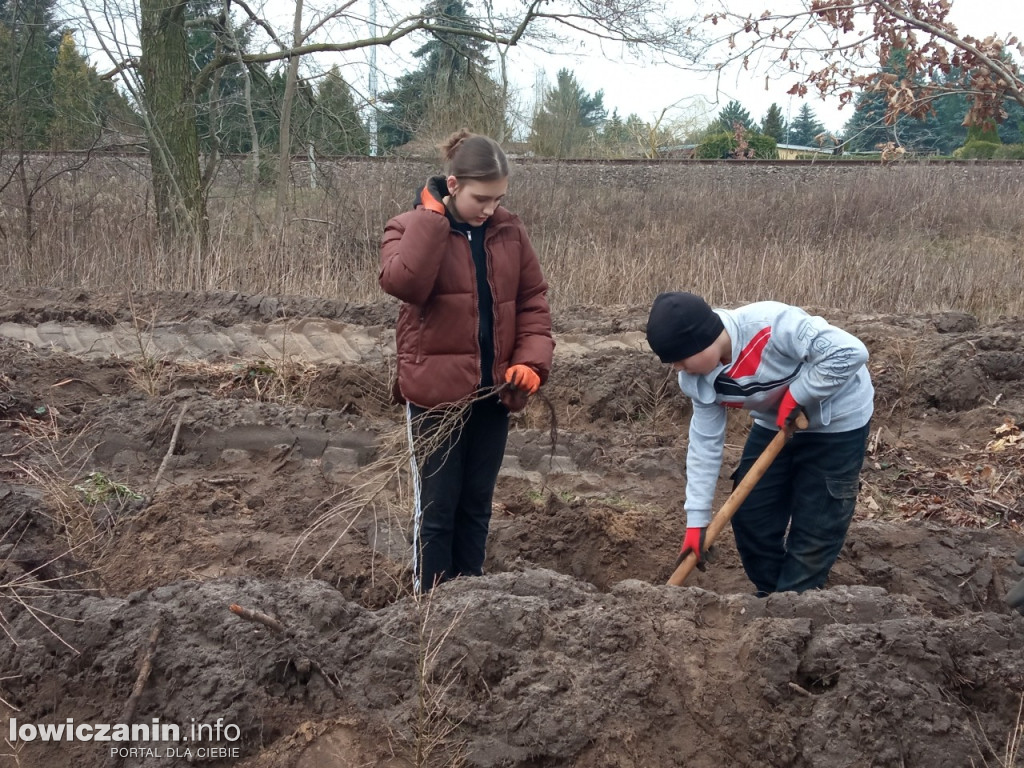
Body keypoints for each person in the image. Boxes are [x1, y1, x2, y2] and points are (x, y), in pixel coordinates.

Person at [379, 130, 554, 593]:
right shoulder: (406, 227)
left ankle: (469, 600)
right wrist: (433, 220)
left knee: (477, 503)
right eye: (482, 198)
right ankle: (431, 607)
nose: (491, 209)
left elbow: (533, 300)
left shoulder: (509, 232)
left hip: (493, 396)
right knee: (438, 509)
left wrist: (531, 363)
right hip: (436, 400)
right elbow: (405, 285)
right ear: (452, 185)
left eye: (499, 199)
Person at [645, 291, 874, 595]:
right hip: (774, 424)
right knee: (753, 515)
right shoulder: (696, 379)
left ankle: (794, 604)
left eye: (680, 358)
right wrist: (696, 521)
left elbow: (850, 351)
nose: (677, 368)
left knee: (816, 525)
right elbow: (704, 443)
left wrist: (799, 394)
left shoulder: (772, 324)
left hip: (838, 422)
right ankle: (775, 597)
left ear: (703, 339)